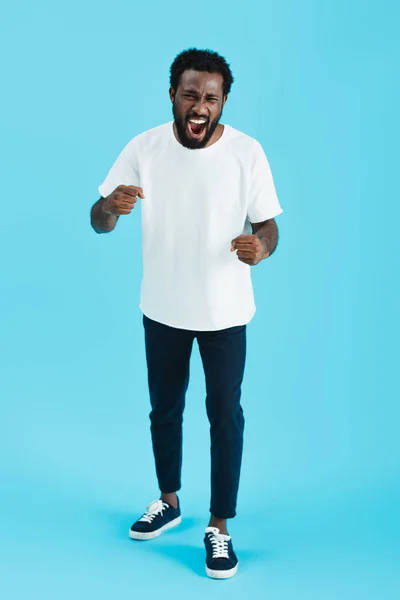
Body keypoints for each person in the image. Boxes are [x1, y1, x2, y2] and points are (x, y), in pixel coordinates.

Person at [90, 47, 283, 580]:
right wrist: (111, 207)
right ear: (173, 95)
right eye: (191, 95)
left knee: (225, 416)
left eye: (211, 98)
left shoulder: (248, 153)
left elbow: (270, 226)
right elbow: (98, 219)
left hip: (225, 311)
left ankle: (219, 527)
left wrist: (261, 247)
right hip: (163, 306)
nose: (200, 106)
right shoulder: (144, 147)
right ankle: (169, 501)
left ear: (223, 103)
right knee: (164, 411)